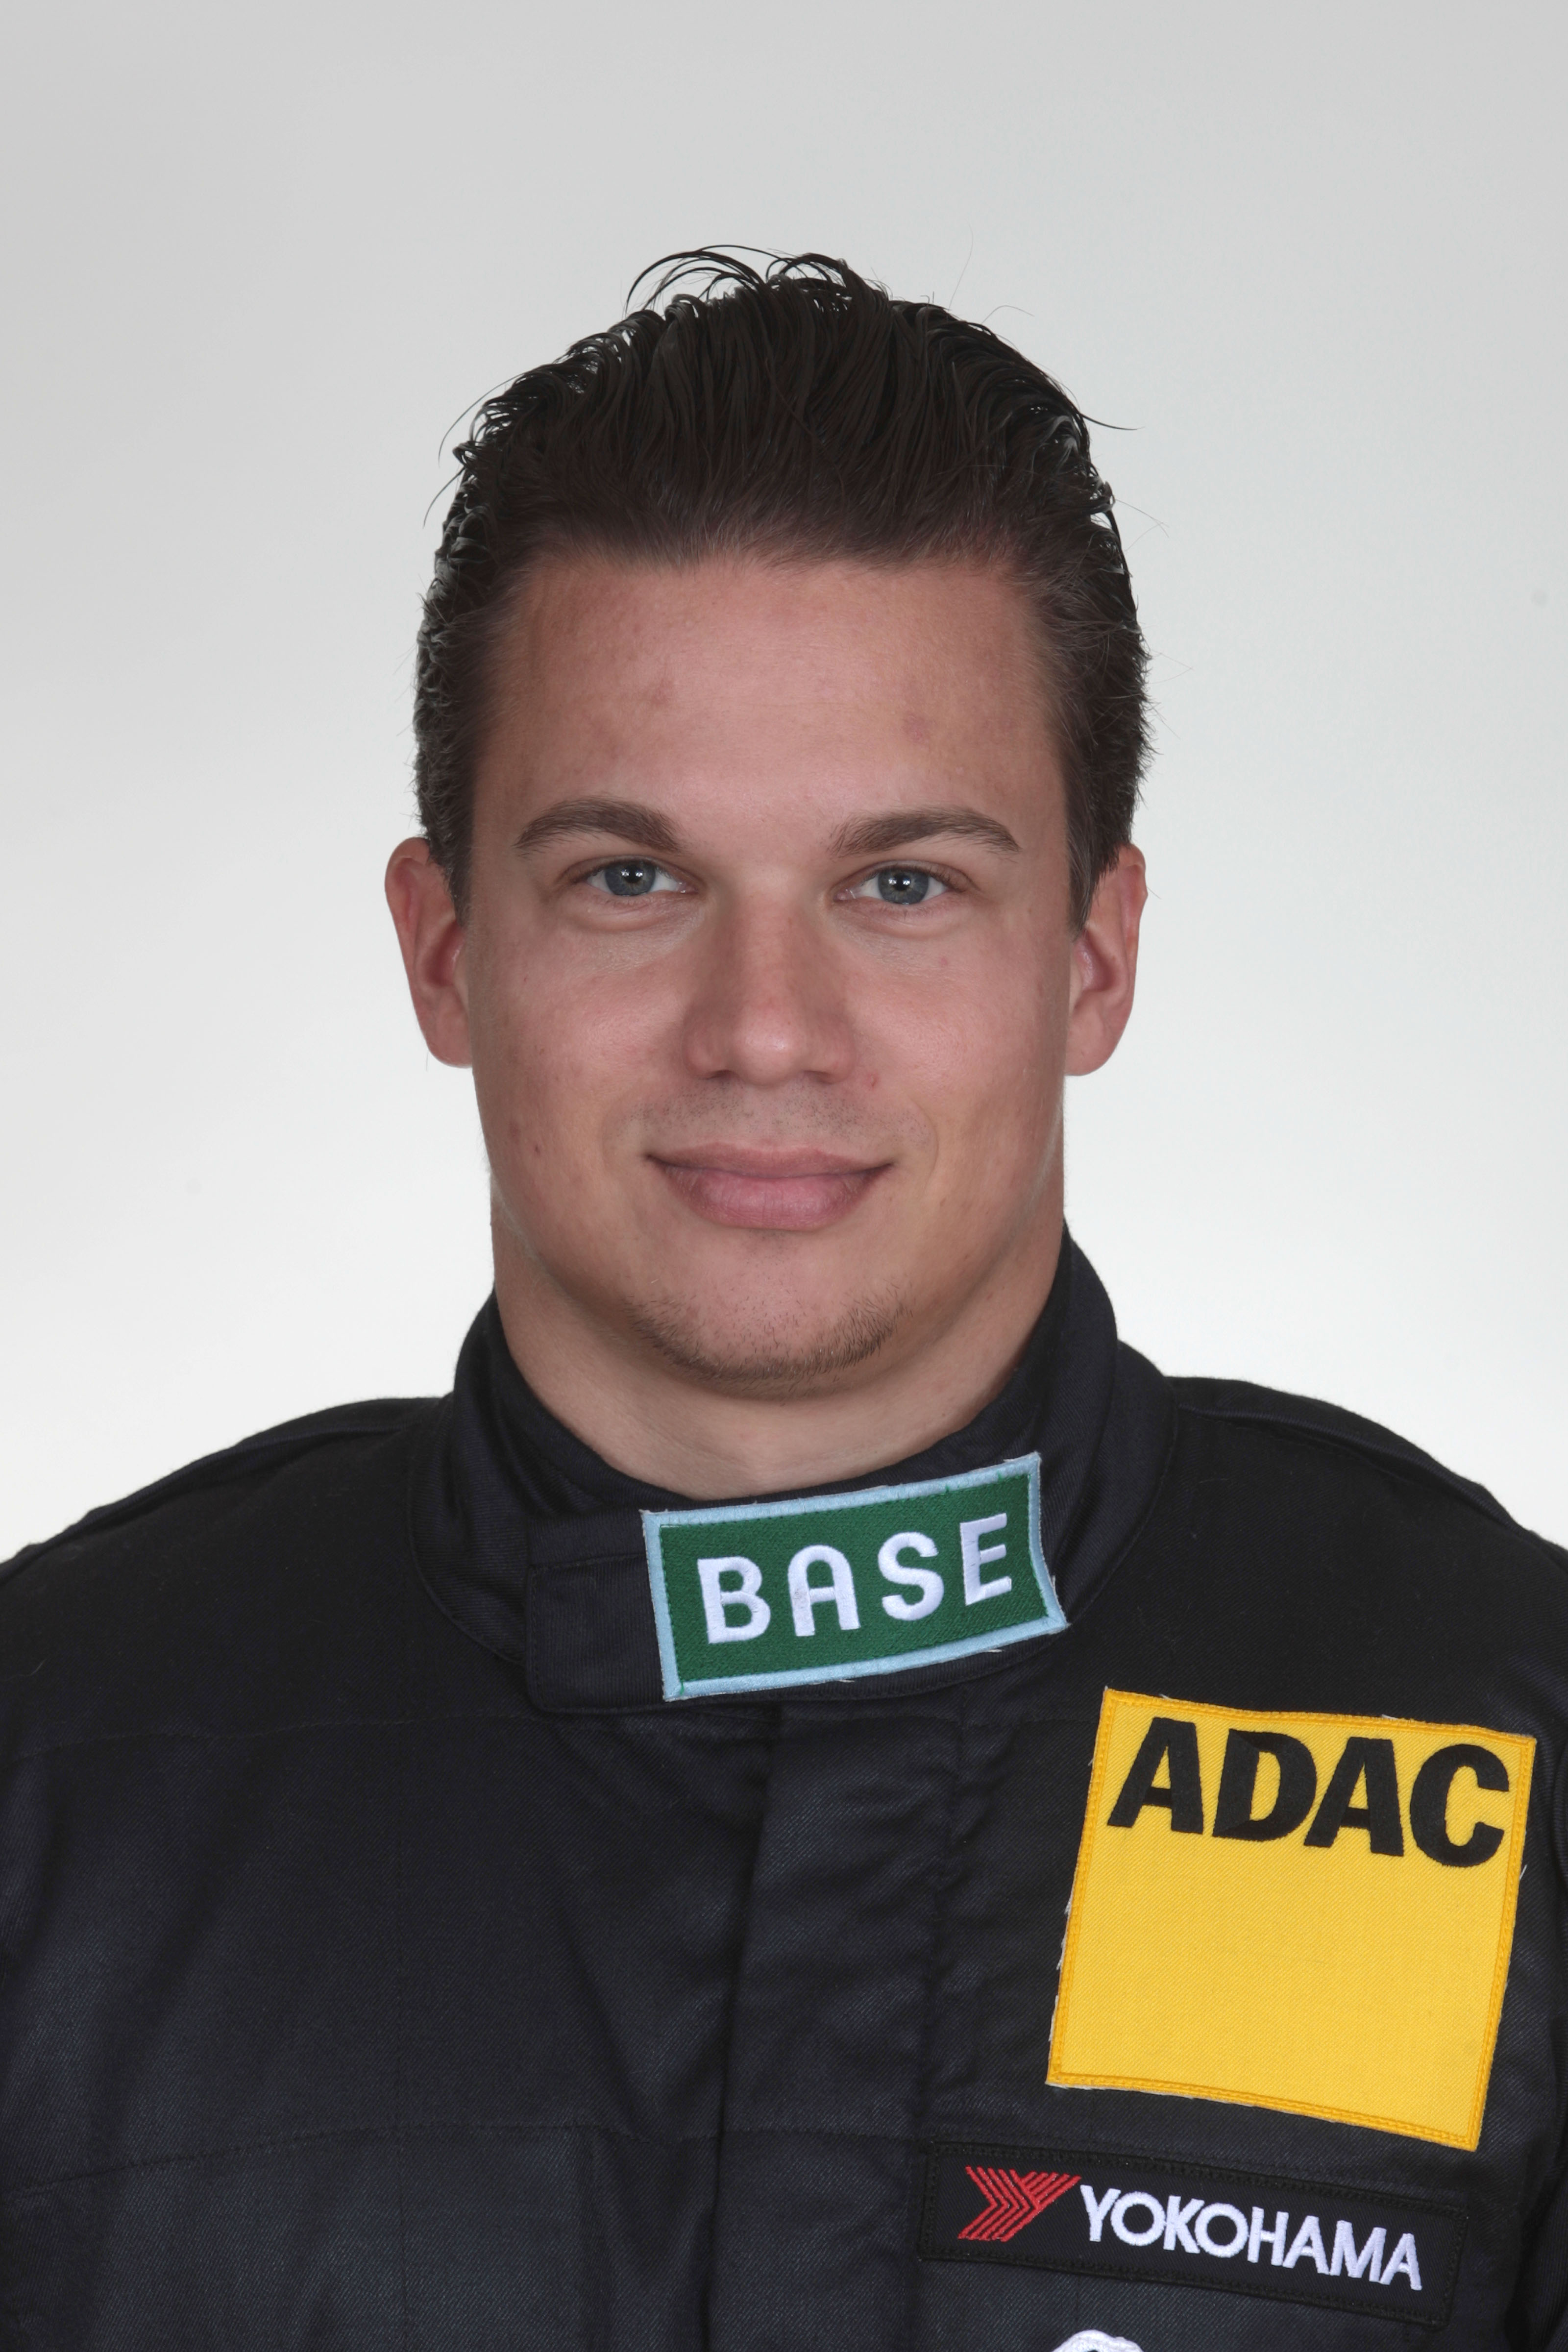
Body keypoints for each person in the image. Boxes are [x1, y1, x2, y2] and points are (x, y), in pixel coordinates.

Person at [0, 253, 1562, 2352]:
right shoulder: (61, 1766)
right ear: (445, 950)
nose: (762, 1028)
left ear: (1091, 959)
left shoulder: (1498, 1736)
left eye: (901, 885)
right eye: (629, 879)